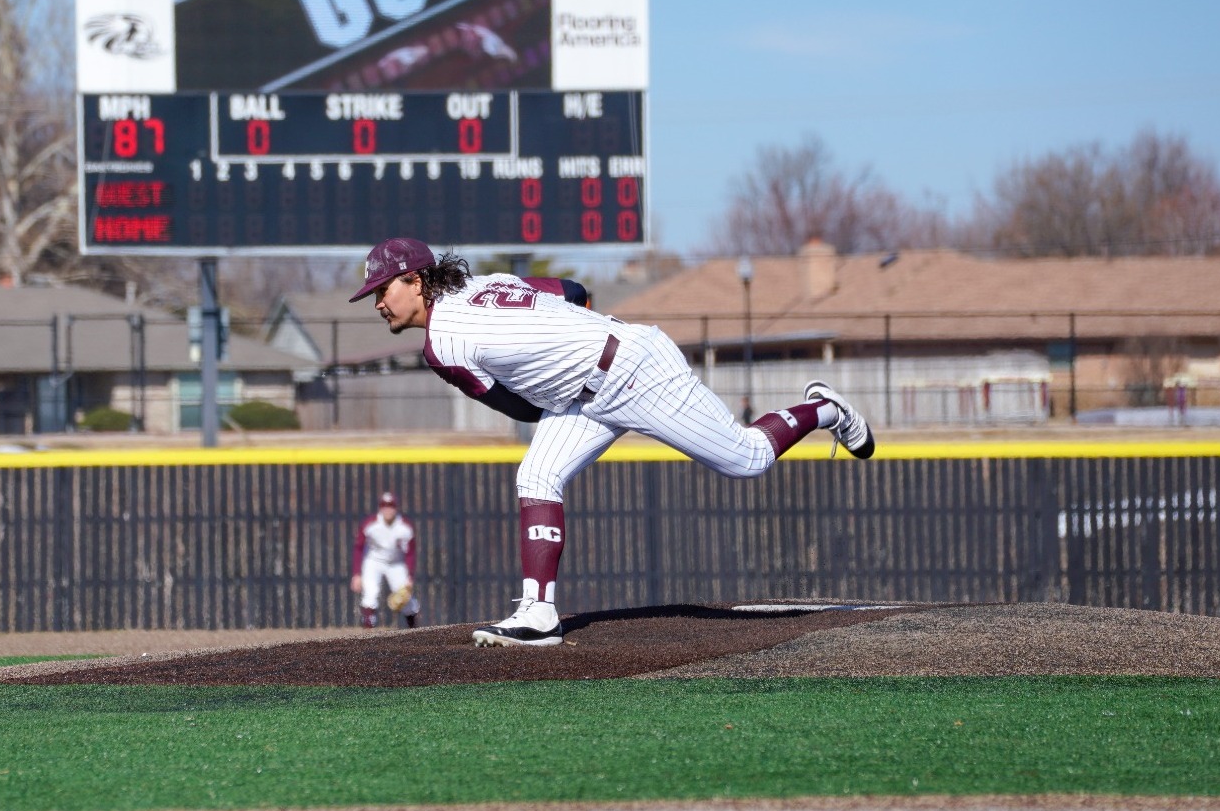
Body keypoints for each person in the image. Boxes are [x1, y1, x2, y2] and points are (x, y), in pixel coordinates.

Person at [349, 237, 874, 647]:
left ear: (414, 280)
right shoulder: (486, 281)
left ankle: (825, 407)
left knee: (748, 458)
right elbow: (571, 291)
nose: (377, 303)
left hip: (634, 372)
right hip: (591, 386)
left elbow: (521, 409)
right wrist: (569, 345)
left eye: (381, 290)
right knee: (536, 475)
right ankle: (538, 612)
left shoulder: (441, 345)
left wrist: (569, 363)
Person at [352, 490, 421, 629]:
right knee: (370, 593)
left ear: (396, 508)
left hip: (395, 563)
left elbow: (410, 553)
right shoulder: (370, 524)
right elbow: (358, 547)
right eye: (385, 505)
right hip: (374, 561)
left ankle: (414, 630)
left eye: (391, 506)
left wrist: (410, 576)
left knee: (405, 596)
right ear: (380, 508)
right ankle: (368, 631)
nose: (388, 509)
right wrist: (357, 574)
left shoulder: (404, 526)